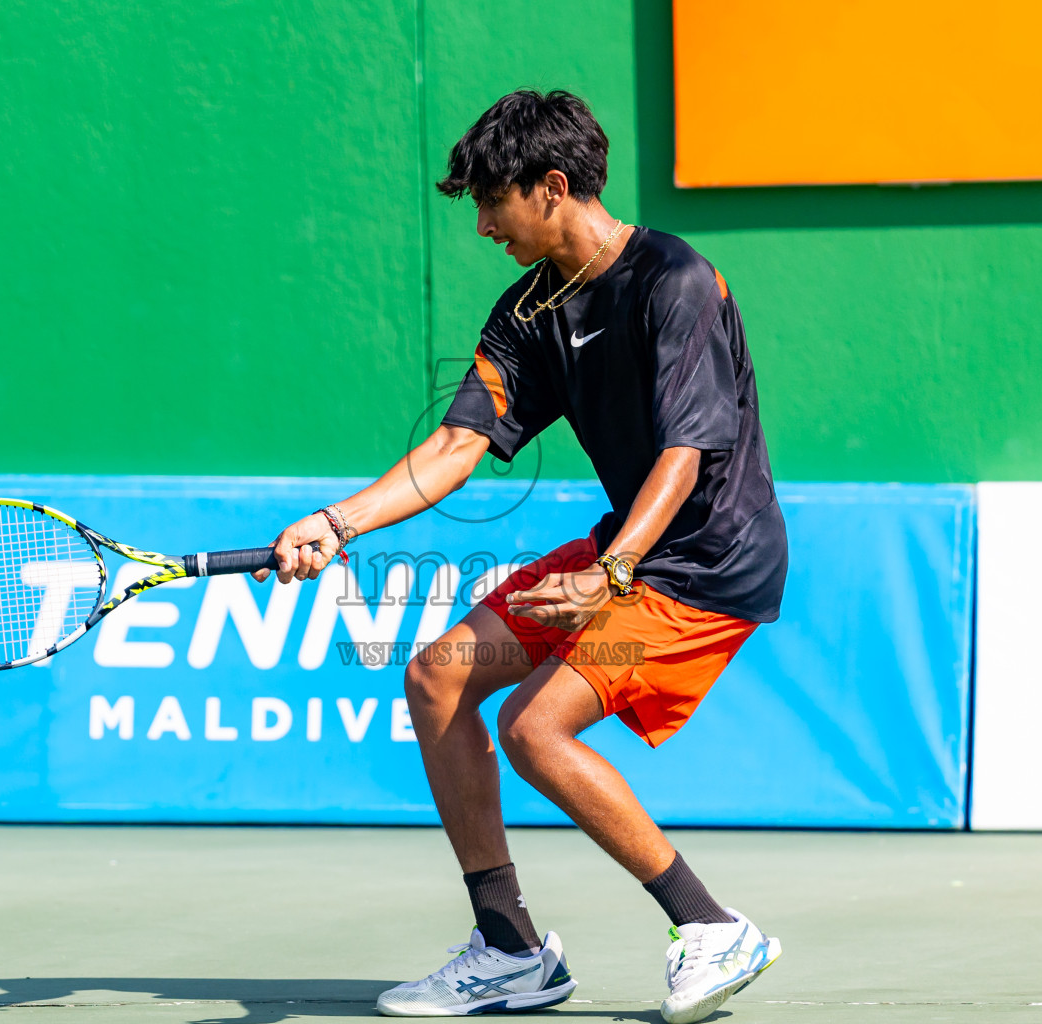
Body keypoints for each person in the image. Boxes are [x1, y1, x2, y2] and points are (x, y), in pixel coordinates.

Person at [253, 90, 788, 1021]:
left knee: (536, 728)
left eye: (492, 203)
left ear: (551, 186)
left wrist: (613, 572)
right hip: (625, 545)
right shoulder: (528, 311)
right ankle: (509, 950)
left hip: (706, 562)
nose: (483, 226)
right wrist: (337, 526)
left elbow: (687, 451)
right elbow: (457, 446)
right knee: (438, 678)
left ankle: (710, 927)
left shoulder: (676, 280)